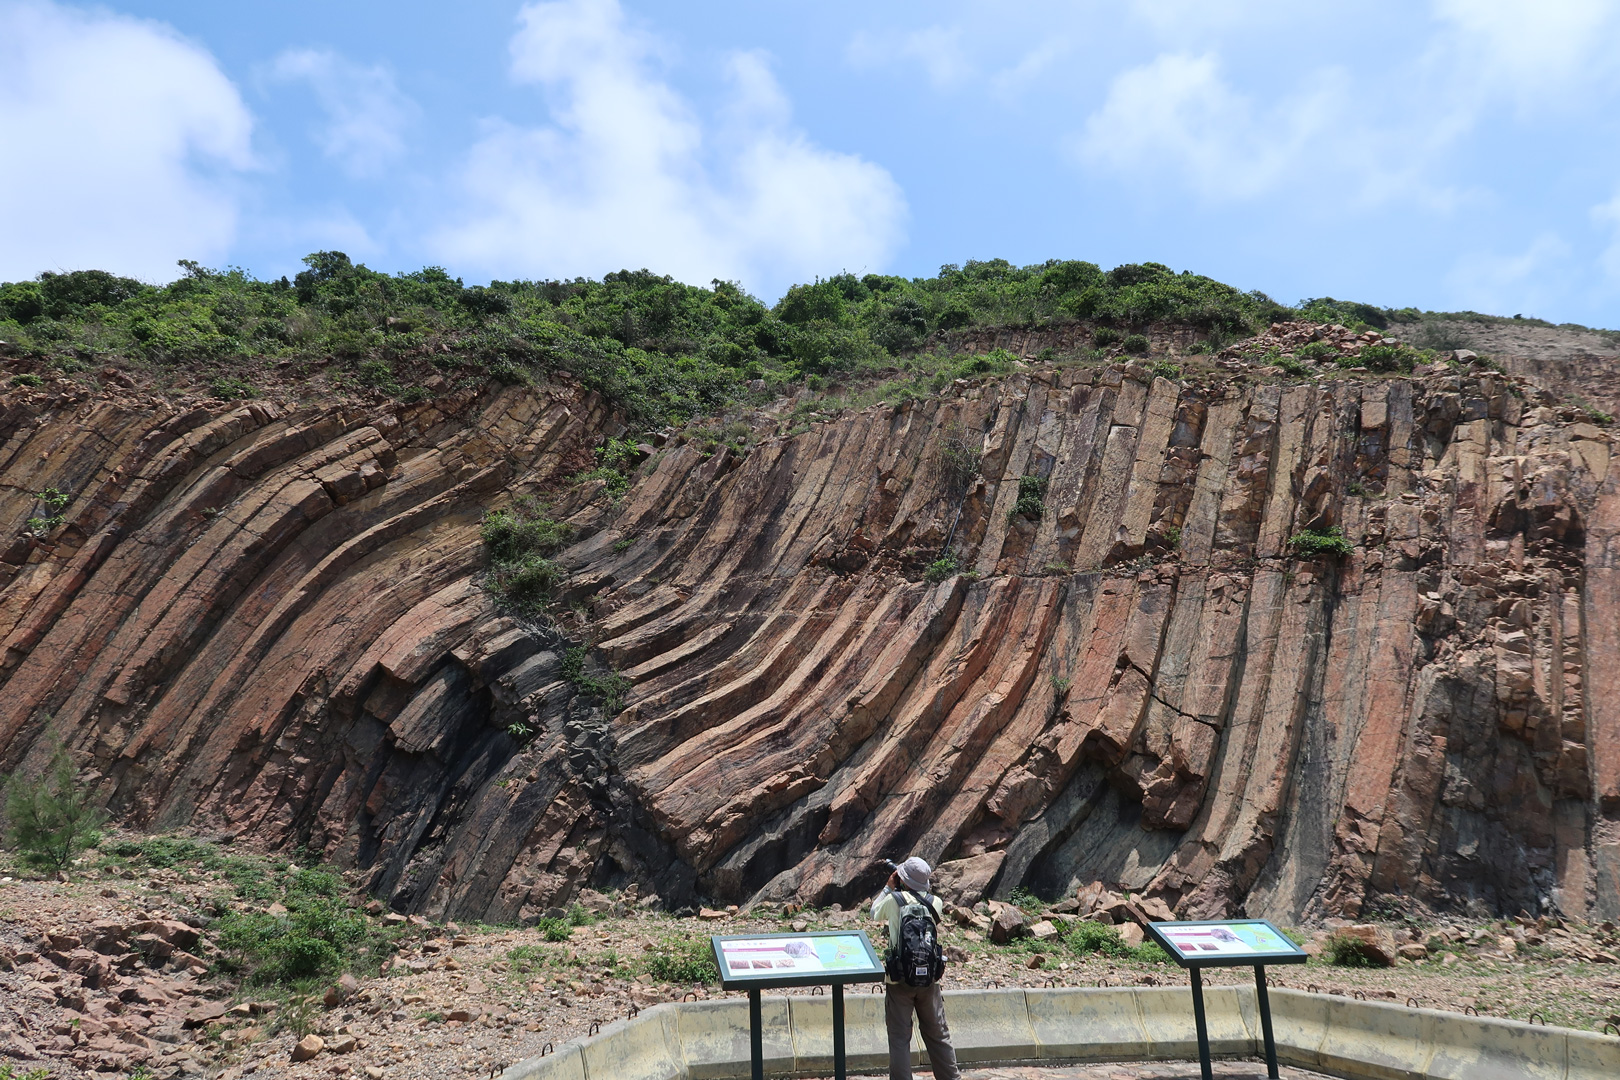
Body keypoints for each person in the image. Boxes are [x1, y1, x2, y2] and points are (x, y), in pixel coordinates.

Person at [871, 856, 959, 1080]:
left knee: (900, 1038)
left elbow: (873, 913)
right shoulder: (935, 902)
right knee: (938, 1034)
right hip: (929, 980)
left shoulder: (894, 900)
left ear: (902, 878)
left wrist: (888, 888)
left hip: (899, 979)